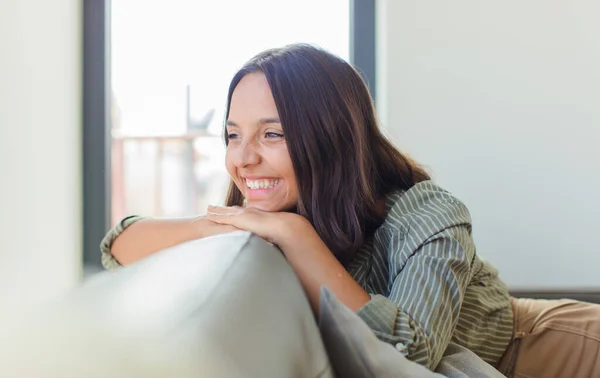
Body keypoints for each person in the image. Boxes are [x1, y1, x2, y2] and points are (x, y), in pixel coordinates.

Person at [101, 44, 600, 377]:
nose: (243, 157)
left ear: (331, 138)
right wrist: (212, 225)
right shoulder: (274, 209)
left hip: (549, 345)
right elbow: (119, 246)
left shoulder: (428, 213)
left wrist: (297, 238)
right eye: (233, 135)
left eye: (272, 133)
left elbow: (409, 351)